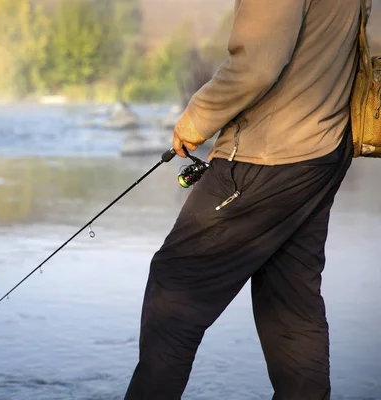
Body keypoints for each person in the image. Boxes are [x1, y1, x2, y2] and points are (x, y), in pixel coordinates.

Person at [124, 0, 373, 399]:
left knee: (175, 287)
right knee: (291, 307)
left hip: (266, 156)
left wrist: (196, 118)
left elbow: (256, 66)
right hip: (323, 152)